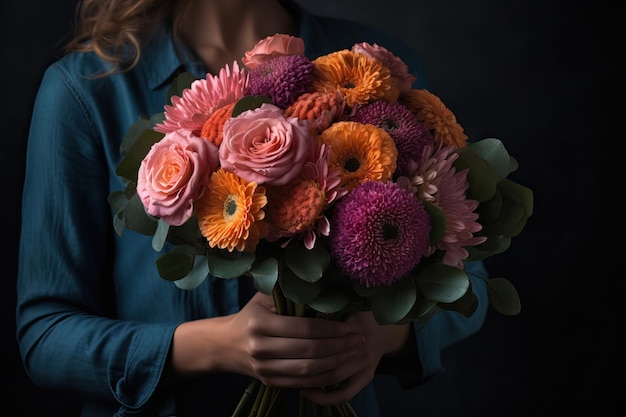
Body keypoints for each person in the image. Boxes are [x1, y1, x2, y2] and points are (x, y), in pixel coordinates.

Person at [16, 0, 489, 416]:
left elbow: (470, 285)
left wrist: (380, 337)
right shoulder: (87, 89)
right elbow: (45, 336)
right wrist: (216, 346)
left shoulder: (377, 69)